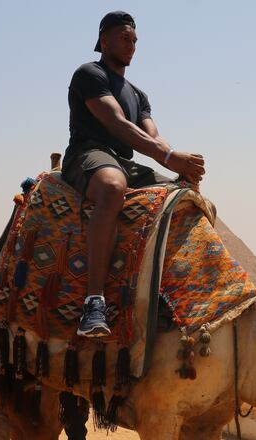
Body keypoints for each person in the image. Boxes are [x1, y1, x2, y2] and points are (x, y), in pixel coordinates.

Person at [61, 11, 207, 337]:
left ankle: (172, 291)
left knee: (185, 198)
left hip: (126, 163)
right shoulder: (90, 73)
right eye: (125, 38)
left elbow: (153, 136)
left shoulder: (138, 94)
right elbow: (117, 123)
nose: (132, 46)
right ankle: (93, 303)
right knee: (113, 187)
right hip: (89, 153)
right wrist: (169, 158)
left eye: (135, 41)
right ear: (104, 39)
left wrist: (183, 167)